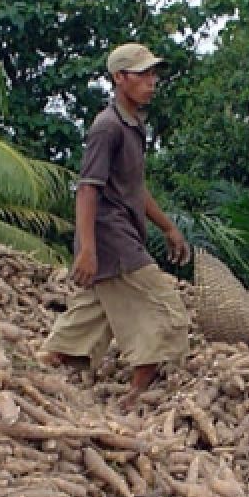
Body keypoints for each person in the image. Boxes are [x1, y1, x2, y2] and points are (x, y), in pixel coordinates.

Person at [41, 42, 192, 409]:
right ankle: (138, 392)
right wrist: (88, 249)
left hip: (121, 231)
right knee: (163, 306)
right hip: (110, 236)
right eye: (142, 74)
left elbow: (133, 188)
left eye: (154, 74)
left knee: (92, 312)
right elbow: (87, 190)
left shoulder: (134, 124)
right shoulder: (107, 127)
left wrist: (167, 228)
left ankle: (41, 366)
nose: (152, 82)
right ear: (119, 78)